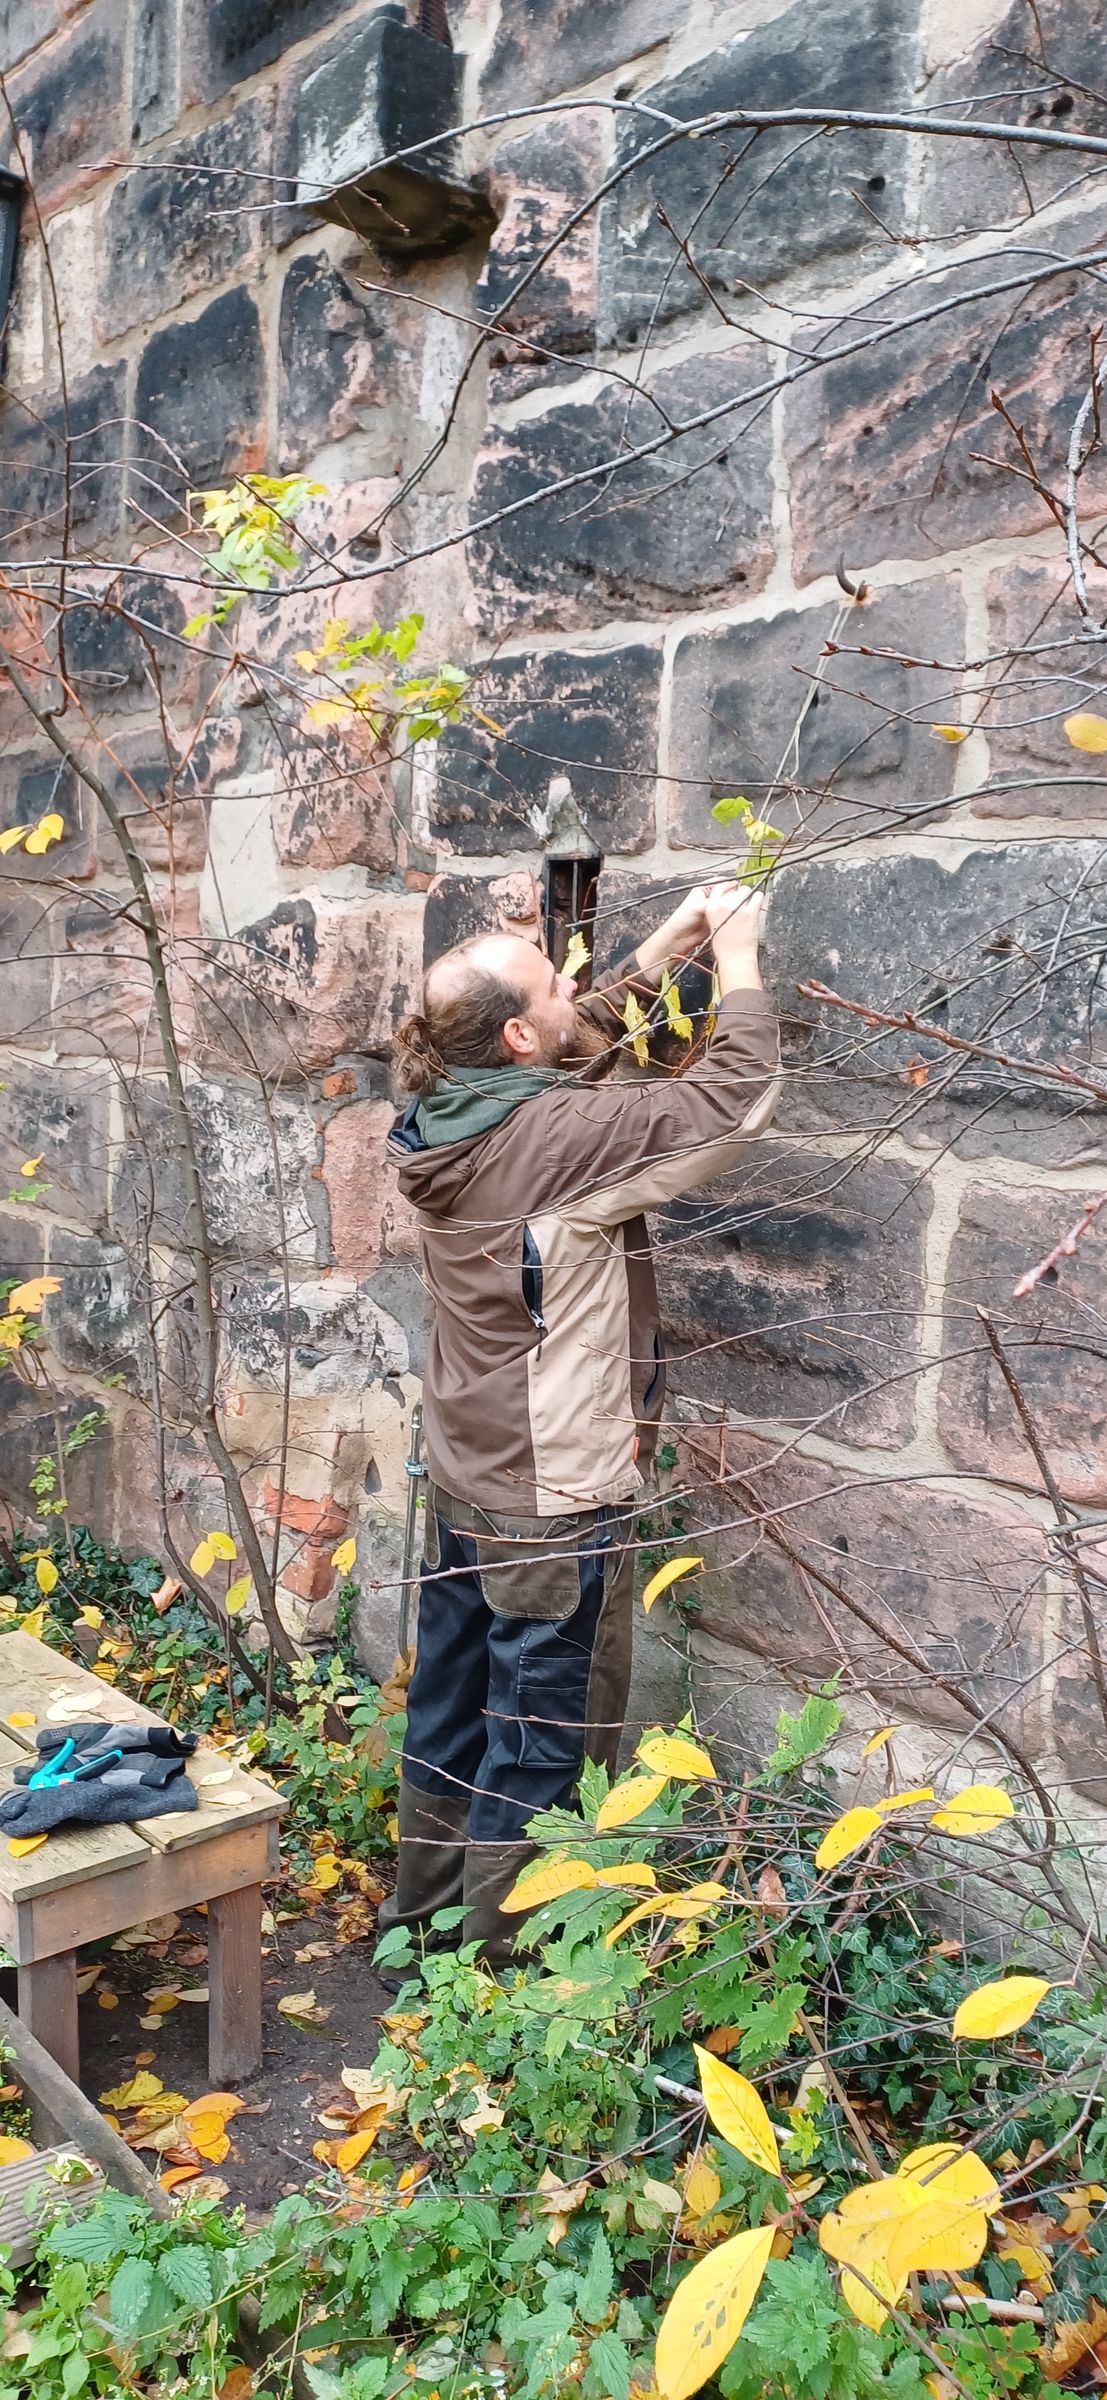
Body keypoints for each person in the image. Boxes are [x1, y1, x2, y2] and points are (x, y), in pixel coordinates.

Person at [374, 880, 779, 1979]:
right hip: (555, 1504)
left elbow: (575, 1044)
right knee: (543, 1752)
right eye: (554, 980)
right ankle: (500, 1990)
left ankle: (420, 1935)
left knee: (452, 1718)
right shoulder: (552, 1139)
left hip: (467, 1479)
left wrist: (672, 942)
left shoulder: (445, 1108)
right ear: (514, 1033)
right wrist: (737, 953)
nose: (576, 985)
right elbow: (729, 1103)